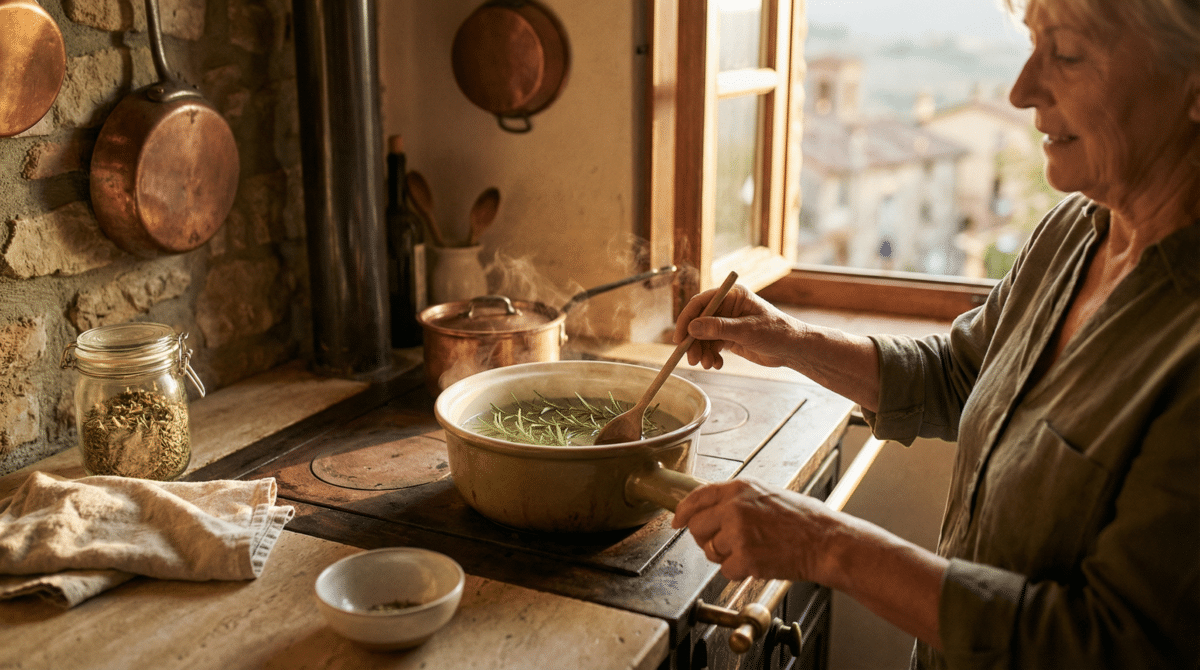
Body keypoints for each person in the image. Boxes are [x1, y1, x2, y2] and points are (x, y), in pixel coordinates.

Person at [669, 0, 1200, 667]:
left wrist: (823, 544)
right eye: (1033, 46)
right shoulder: (1074, 233)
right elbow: (957, 374)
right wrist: (785, 339)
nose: (1021, 89)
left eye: (1065, 53)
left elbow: (1108, 645)